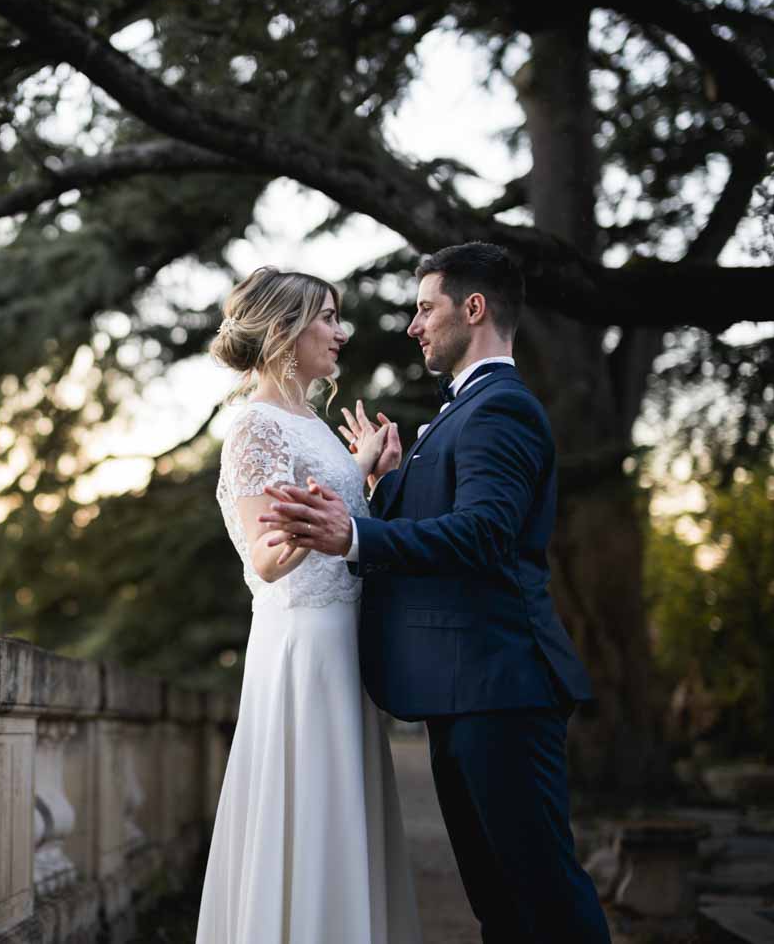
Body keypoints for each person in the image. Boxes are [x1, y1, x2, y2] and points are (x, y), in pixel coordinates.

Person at [260, 243, 611, 944]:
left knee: (545, 898)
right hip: (467, 694)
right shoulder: (463, 412)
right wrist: (384, 486)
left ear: (473, 309)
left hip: (502, 687)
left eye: (426, 308)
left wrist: (352, 536)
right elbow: (444, 521)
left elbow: (482, 534)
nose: (414, 326)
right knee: (501, 904)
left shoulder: (499, 409)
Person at [196, 266, 421, 944]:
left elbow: (340, 531)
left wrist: (372, 479)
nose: (340, 331)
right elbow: (266, 557)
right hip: (302, 648)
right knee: (308, 815)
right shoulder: (253, 427)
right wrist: (351, 475)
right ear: (285, 332)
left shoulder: (316, 427)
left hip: (344, 645)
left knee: (343, 817)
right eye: (326, 317)